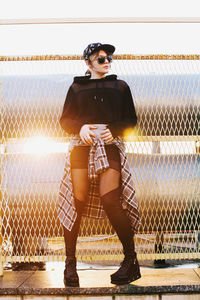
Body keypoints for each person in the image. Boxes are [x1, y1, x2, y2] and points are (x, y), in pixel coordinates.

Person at [58, 42, 141, 287]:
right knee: (77, 202)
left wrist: (114, 130)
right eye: (101, 58)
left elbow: (131, 119)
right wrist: (80, 127)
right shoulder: (75, 87)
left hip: (109, 147)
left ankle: (130, 260)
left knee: (111, 200)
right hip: (81, 149)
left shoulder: (121, 85)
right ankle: (70, 264)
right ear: (88, 63)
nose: (107, 62)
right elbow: (65, 120)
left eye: (109, 58)